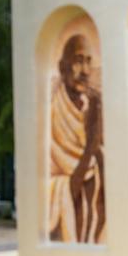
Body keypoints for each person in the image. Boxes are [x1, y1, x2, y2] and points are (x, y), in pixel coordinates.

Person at [49, 34, 105, 243]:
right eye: (78, 61)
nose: (85, 71)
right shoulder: (52, 113)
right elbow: (70, 188)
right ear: (63, 67)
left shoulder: (91, 108)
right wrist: (91, 144)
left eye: (88, 61)